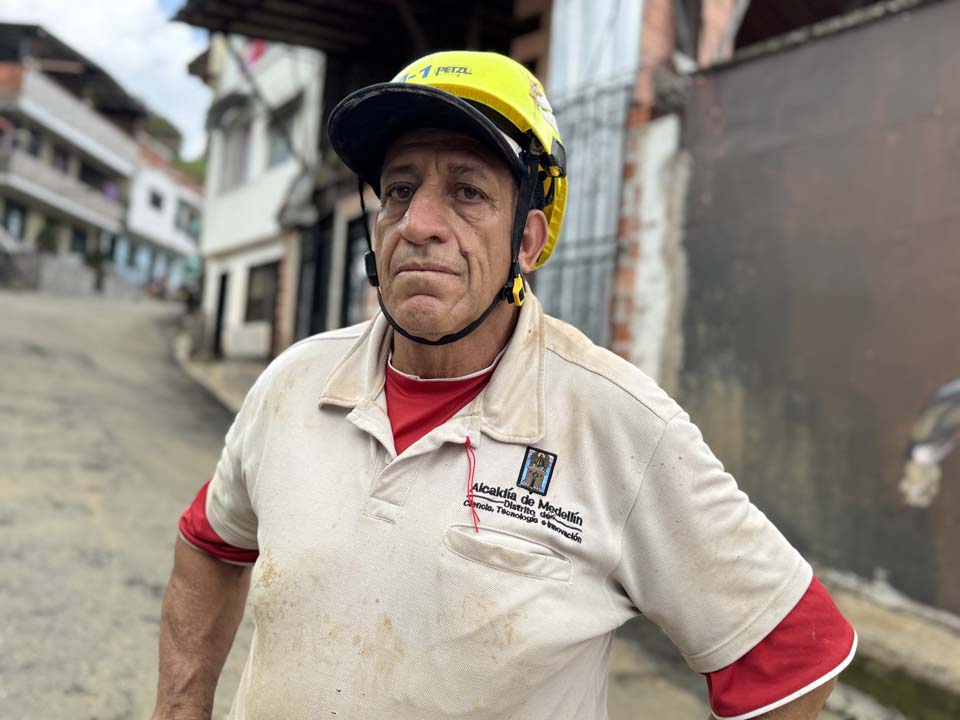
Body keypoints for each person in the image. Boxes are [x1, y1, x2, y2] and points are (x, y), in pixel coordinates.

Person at [153, 51, 856, 720]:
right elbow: (210, 544)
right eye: (399, 190)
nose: (420, 224)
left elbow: (791, 651)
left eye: (466, 193)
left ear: (526, 240)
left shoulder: (615, 423)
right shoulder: (293, 384)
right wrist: (180, 708)